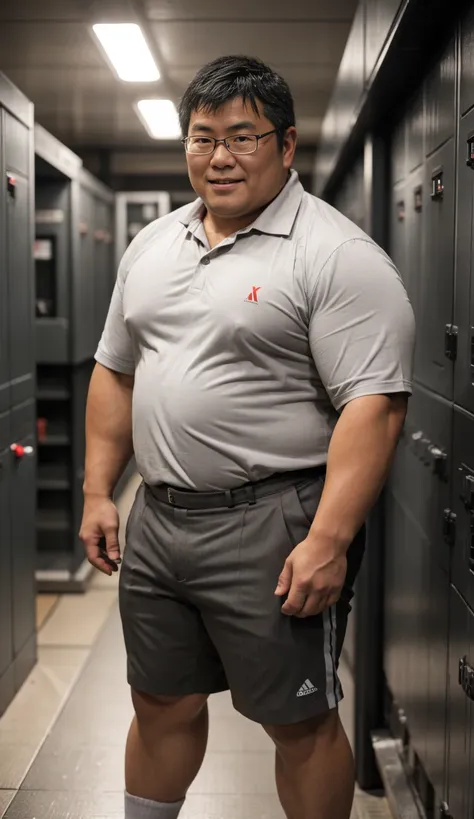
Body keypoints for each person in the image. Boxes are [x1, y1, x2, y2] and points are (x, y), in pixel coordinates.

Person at [79, 55, 415, 819]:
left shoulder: (335, 255)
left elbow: (375, 406)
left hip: (275, 519)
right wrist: (101, 489)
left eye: (243, 136)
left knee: (296, 721)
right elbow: (115, 370)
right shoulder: (152, 246)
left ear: (287, 145)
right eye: (202, 138)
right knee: (159, 699)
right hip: (161, 518)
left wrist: (329, 537)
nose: (219, 156)